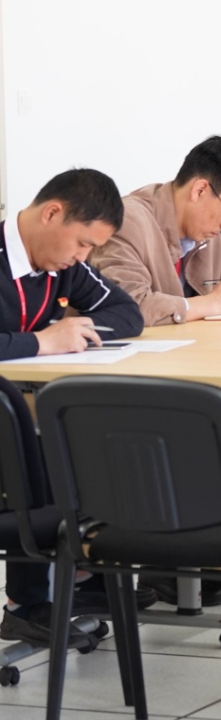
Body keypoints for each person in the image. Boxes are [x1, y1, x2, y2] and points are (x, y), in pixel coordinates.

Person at [1, 169, 145, 649]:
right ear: (52, 213)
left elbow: (127, 314)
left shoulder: (62, 267)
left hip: (21, 407)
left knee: (86, 438)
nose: (82, 257)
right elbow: (37, 341)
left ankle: (82, 578)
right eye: (82, 243)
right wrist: (40, 342)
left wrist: (77, 329)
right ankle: (29, 602)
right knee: (46, 448)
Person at [90, 136, 221, 324]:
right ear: (199, 190)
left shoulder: (207, 234)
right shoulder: (127, 222)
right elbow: (126, 306)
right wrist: (212, 303)